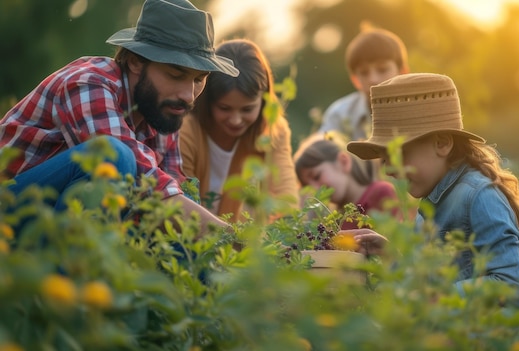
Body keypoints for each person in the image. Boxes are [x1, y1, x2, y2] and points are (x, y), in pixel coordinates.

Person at [0, 0, 239, 235]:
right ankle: (75, 270)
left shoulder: (163, 108)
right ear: (135, 61)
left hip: (45, 219)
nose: (188, 96)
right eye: (176, 75)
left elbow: (171, 199)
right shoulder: (88, 84)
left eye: (199, 80)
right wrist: (235, 239)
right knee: (113, 155)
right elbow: (149, 185)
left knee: (180, 238)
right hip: (8, 207)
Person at [343, 73, 519, 295]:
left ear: (442, 143)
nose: (388, 169)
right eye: (384, 158)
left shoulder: (479, 196)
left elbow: (511, 285)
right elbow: (428, 280)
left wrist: (436, 299)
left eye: (398, 153)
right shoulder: (431, 201)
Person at [179, 39, 299, 223]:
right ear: (208, 99)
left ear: (264, 100)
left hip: (241, 246)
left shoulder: (273, 131)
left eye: (247, 109)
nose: (235, 120)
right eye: (225, 108)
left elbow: (284, 195)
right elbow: (183, 201)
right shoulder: (186, 128)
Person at [317, 25, 409, 141]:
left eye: (382, 69)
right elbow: (321, 151)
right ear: (355, 80)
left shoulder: (422, 109)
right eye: (364, 73)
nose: (373, 79)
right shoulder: (340, 114)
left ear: (403, 72)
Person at [294, 132, 397, 230]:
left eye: (317, 176)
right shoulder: (334, 221)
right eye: (308, 186)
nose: (315, 190)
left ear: (344, 162)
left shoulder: (381, 193)